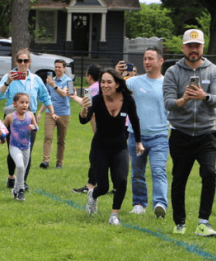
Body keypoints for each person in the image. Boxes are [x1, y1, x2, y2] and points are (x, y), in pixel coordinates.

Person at [163, 29, 216, 237]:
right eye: (189, 46)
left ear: (203, 47)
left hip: (207, 133)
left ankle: (203, 223)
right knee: (179, 178)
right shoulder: (172, 72)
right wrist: (185, 100)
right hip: (181, 133)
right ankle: (179, 223)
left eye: (197, 46)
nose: (193, 50)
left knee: (210, 173)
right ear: (183, 47)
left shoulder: (214, 71)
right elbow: (169, 103)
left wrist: (203, 96)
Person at [79, 69, 142, 225]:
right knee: (103, 186)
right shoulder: (97, 99)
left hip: (120, 147)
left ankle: (114, 215)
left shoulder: (127, 100)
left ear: (117, 84)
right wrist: (84, 109)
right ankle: (93, 195)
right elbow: (84, 120)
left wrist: (139, 142)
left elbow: (134, 120)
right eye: (102, 82)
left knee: (121, 180)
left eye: (109, 82)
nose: (105, 85)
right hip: (99, 148)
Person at [0, 48, 57, 190]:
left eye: (26, 60)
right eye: (20, 60)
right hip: (12, 118)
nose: (23, 63)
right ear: (16, 61)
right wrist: (8, 82)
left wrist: (52, 112)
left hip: (29, 118)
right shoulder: (8, 77)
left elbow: (45, 97)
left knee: (27, 150)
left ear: (30, 62)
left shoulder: (36, 80)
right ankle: (11, 177)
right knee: (12, 150)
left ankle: (22, 182)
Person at [125, 47, 170, 218]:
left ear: (160, 61)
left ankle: (160, 204)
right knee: (137, 172)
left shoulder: (167, 84)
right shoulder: (133, 82)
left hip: (159, 136)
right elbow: (114, 89)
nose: (147, 62)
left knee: (158, 171)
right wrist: (116, 73)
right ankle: (139, 204)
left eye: (151, 58)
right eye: (145, 58)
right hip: (136, 136)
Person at [38, 59, 78, 170]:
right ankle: (45, 161)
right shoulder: (50, 81)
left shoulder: (69, 81)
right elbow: (47, 98)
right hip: (50, 113)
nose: (57, 69)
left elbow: (65, 94)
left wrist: (54, 86)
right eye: (56, 67)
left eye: (59, 67)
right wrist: (40, 112)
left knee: (61, 140)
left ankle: (59, 162)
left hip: (64, 113)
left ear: (64, 68)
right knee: (48, 137)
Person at [72, 65, 103, 194]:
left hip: (101, 130)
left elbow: (88, 106)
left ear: (89, 76)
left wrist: (73, 96)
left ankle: (90, 186)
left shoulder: (90, 89)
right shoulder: (105, 86)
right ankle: (115, 187)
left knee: (95, 156)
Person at [4, 93, 38, 201]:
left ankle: (15, 190)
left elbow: (37, 127)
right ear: (15, 104)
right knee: (19, 166)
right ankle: (21, 190)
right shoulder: (10, 117)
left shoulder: (31, 115)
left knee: (22, 170)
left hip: (26, 147)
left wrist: (34, 128)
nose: (24, 105)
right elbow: (3, 129)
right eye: (22, 102)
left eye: (27, 102)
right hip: (14, 146)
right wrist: (1, 138)